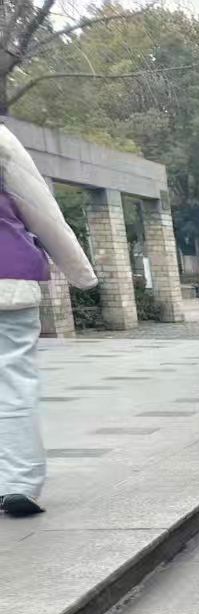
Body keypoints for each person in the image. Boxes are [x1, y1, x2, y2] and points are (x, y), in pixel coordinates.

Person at [0, 124, 98, 517]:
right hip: (8, 278)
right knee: (12, 382)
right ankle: (18, 481)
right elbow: (41, 209)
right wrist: (81, 273)